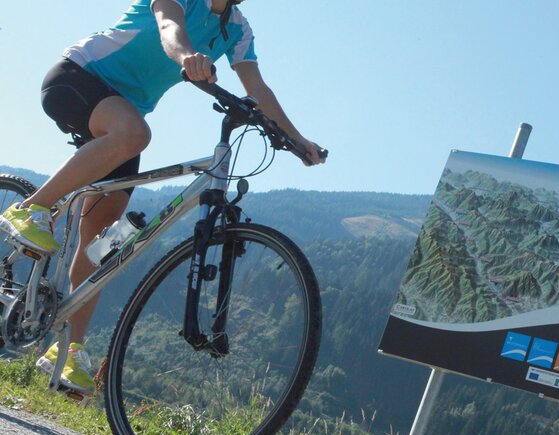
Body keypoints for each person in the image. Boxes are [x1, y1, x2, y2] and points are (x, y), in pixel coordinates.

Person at [0, 0, 325, 398]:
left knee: (101, 246)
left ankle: (68, 349)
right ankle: (31, 207)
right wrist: (189, 57)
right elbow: (171, 29)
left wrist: (296, 140)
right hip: (78, 78)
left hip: (123, 116)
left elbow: (257, 89)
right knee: (135, 135)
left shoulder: (237, 29)